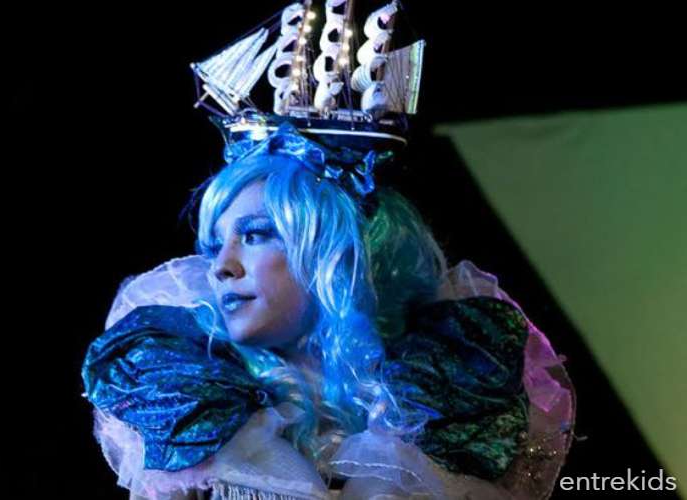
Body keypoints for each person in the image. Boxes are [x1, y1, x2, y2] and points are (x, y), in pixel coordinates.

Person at [82, 124, 575, 499]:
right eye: (215, 246)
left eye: (255, 235)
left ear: (333, 254)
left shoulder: (446, 391)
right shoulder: (193, 403)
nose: (222, 267)